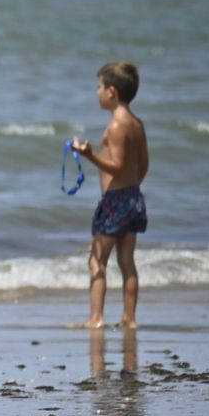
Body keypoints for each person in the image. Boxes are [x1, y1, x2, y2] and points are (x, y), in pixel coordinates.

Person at [70, 61, 150, 330]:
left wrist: (89, 154)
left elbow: (115, 164)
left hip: (115, 201)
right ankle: (129, 318)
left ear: (112, 92)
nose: (97, 92)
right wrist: (132, 186)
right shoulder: (136, 123)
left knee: (96, 260)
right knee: (127, 261)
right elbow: (144, 163)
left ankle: (96, 318)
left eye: (99, 87)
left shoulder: (116, 125)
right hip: (133, 197)